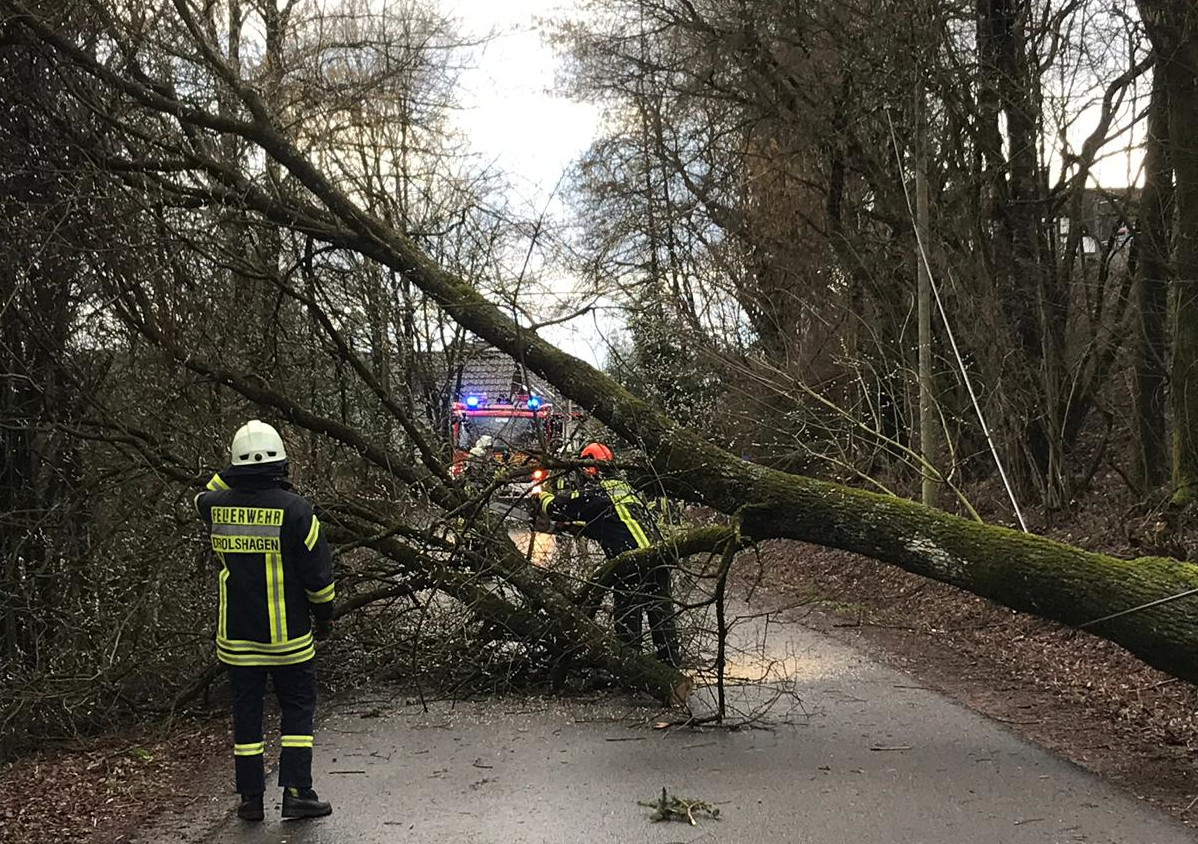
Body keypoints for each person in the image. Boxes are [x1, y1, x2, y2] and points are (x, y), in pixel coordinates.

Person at [195, 420, 336, 822]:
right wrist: (324, 618)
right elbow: (319, 579)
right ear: (282, 464)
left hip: (237, 638)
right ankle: (297, 792)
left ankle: (250, 799)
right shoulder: (297, 510)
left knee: (247, 716)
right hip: (289, 638)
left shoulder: (214, 507)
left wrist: (231, 473)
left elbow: (201, 494)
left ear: (235, 465)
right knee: (297, 710)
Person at [536, 442, 679, 666]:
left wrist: (540, 496)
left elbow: (556, 507)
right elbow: (614, 523)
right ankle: (670, 663)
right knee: (661, 613)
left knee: (628, 617)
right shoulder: (624, 489)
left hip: (631, 561)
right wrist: (576, 527)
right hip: (658, 556)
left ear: (589, 468)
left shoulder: (597, 493)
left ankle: (631, 667)